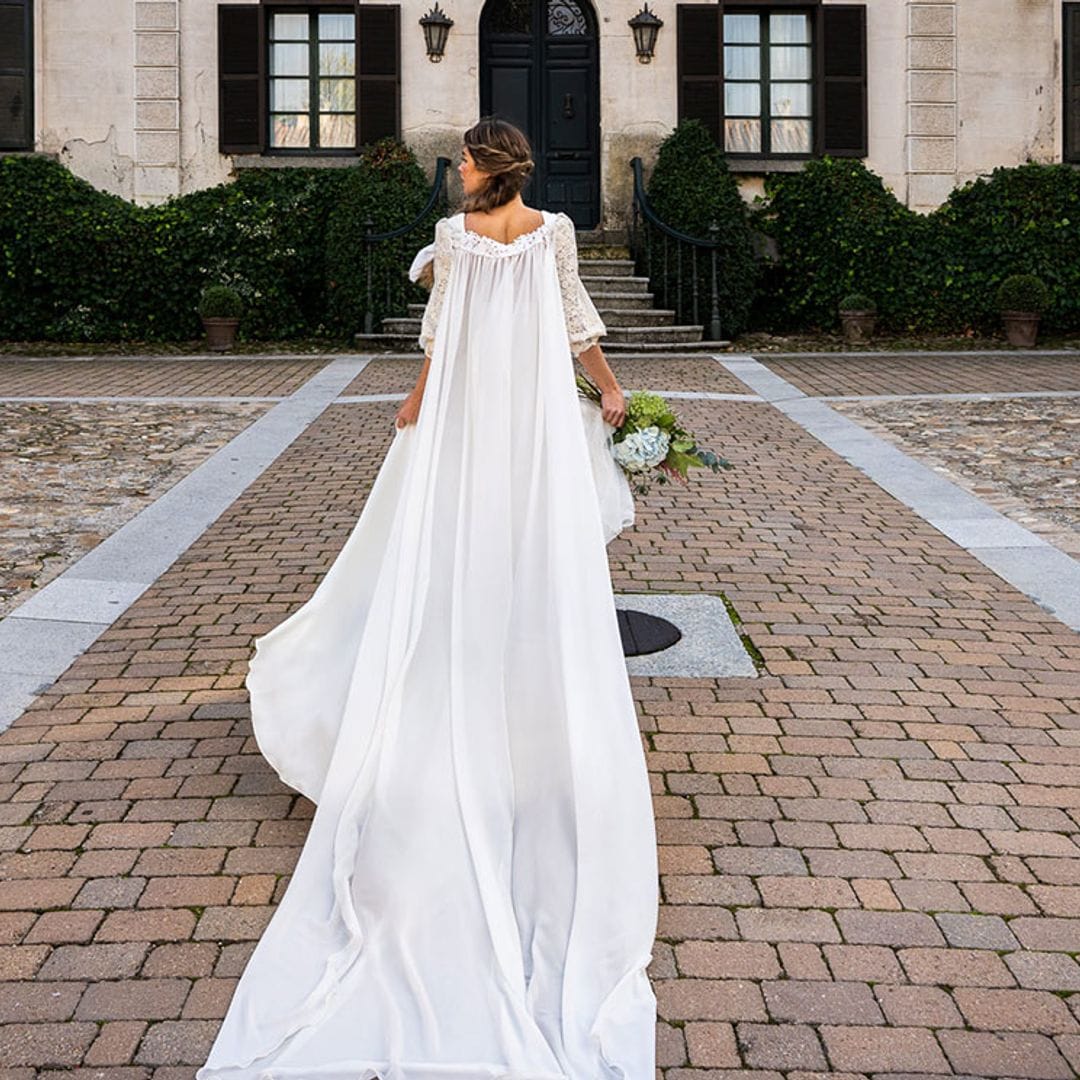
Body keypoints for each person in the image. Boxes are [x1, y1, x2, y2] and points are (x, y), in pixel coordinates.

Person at [196, 116, 660, 1080]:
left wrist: (414, 408)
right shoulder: (556, 232)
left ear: (484, 166)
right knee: (528, 566)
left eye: (463, 157)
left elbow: (441, 344)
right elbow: (579, 329)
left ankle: (454, 699)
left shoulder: (454, 243)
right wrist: (611, 393)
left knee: (448, 558)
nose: (453, 170)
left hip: (471, 433)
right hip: (526, 438)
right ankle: (523, 717)